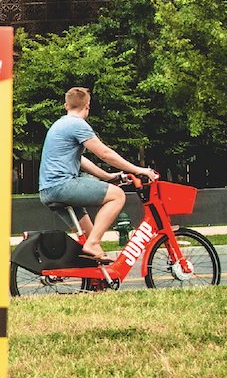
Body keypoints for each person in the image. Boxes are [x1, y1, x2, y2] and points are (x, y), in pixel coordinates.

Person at [38, 87, 159, 263]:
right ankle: (93, 243)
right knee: (117, 196)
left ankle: (97, 279)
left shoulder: (59, 125)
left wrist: (108, 177)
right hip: (63, 186)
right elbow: (104, 154)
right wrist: (138, 170)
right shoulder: (77, 124)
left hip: (48, 191)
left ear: (66, 105)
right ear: (88, 106)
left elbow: (82, 161)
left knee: (90, 240)